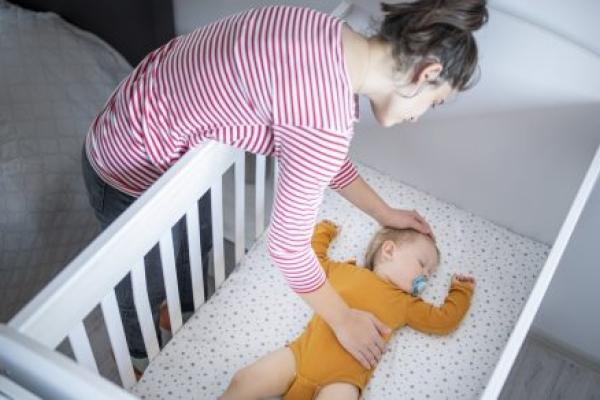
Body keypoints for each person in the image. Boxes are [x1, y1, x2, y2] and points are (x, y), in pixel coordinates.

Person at [81, 0, 488, 371]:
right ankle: (138, 357)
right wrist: (342, 319)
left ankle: (180, 309)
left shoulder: (324, 30)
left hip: (134, 109)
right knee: (143, 281)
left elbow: (316, 155)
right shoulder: (325, 119)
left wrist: (383, 213)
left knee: (195, 242)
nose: (417, 117)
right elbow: (289, 247)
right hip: (127, 168)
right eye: (432, 103)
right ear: (427, 73)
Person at [220, 220, 475, 400]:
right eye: (422, 265)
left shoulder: (407, 304)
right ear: (389, 250)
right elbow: (313, 261)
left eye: (430, 275)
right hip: (299, 357)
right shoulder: (345, 271)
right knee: (244, 380)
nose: (425, 278)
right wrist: (324, 231)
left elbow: (443, 320)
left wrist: (460, 292)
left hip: (341, 382)